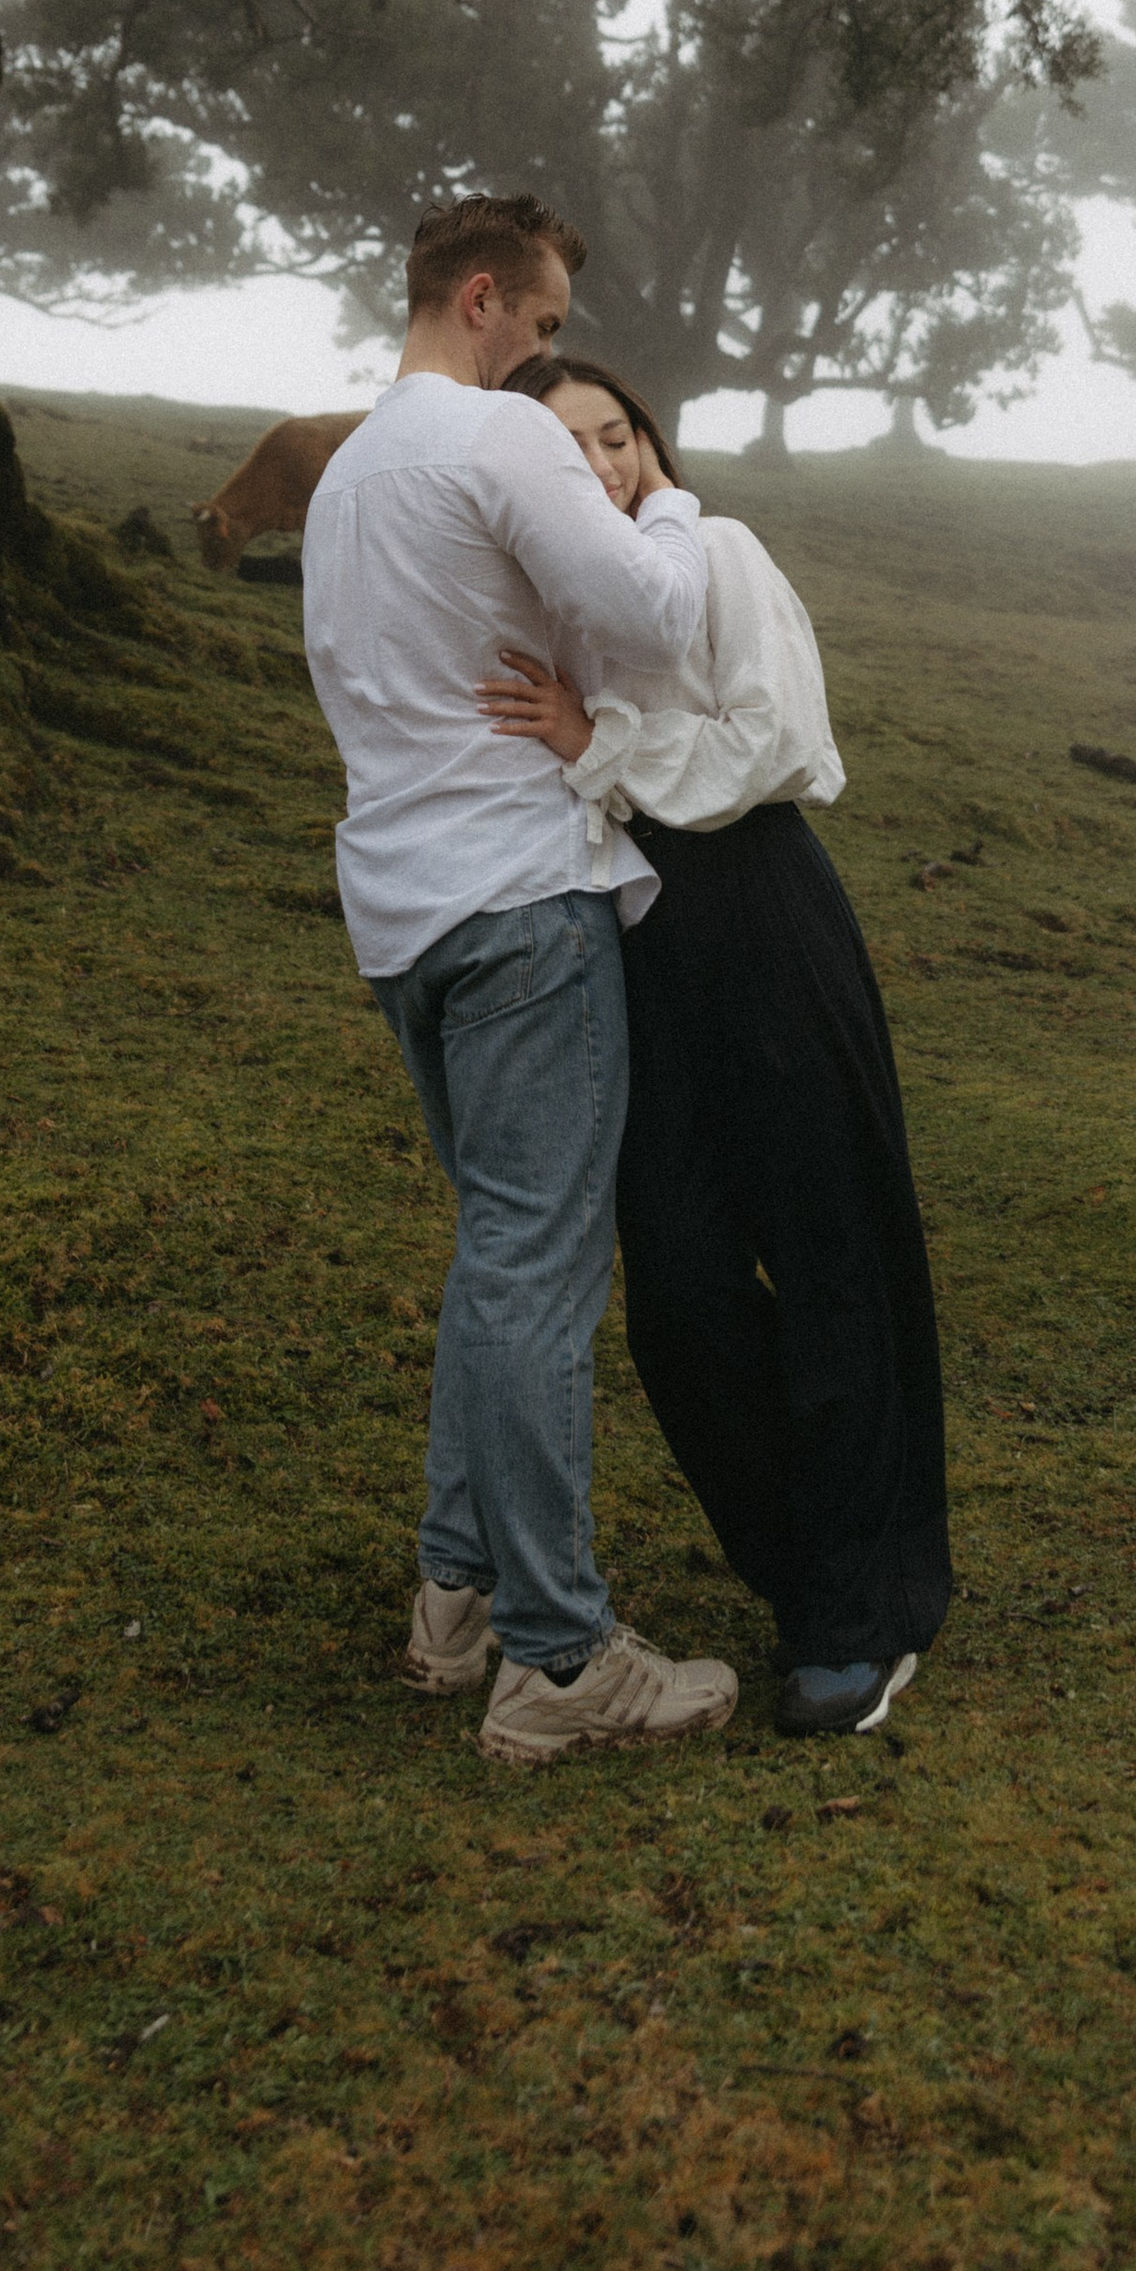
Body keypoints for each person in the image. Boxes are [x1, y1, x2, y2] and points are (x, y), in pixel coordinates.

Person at [299, 198, 741, 1768]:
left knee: (498, 1257)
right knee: (539, 1274)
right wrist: (676, 506)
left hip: (402, 913)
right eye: (543, 326)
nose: (549, 356)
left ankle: (457, 1594)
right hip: (521, 907)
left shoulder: (351, 472)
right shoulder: (498, 444)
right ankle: (562, 1658)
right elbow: (657, 612)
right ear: (482, 300)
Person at [478, 355, 951, 1740]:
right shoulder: (555, 604)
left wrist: (602, 739)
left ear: (652, 443)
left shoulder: (722, 551)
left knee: (829, 1257)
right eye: (571, 451)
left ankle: (856, 1617)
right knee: (677, 1289)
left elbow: (775, 741)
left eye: (619, 436)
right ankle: (799, 1567)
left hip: (763, 913)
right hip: (630, 952)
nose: (605, 467)